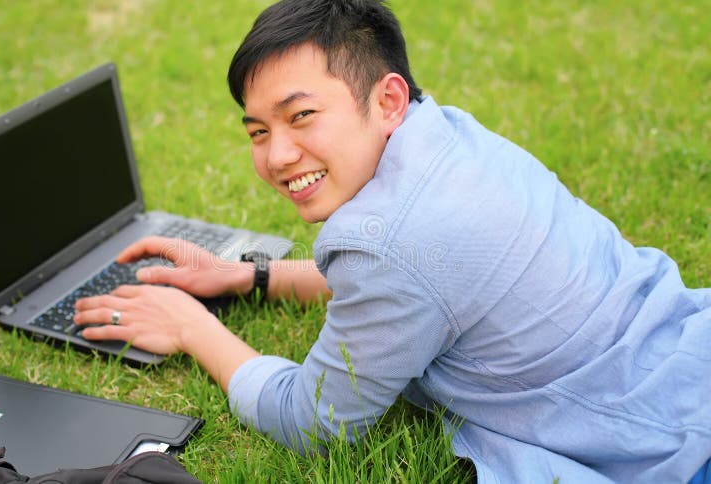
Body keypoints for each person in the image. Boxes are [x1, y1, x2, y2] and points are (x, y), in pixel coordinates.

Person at [73, 0, 711, 482]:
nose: (277, 155)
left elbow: (315, 424)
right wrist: (249, 275)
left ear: (387, 100)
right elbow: (423, 274)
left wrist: (193, 328)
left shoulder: (391, 242)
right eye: (257, 131)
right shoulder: (446, 137)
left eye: (301, 116)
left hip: (670, 445)